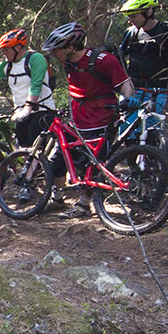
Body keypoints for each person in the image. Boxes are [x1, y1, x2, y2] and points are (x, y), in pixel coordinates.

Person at [41, 21, 137, 218]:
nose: (53, 54)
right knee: (58, 158)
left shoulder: (103, 60)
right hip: (78, 119)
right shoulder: (68, 63)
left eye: (56, 50)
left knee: (92, 164)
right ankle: (57, 198)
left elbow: (125, 83)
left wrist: (127, 100)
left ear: (70, 48)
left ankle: (84, 205)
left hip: (102, 119)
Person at [0, 29, 65, 210]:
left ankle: (27, 185)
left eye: (6, 49)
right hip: (21, 111)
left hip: (42, 110)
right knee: (23, 148)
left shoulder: (35, 59)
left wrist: (29, 107)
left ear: (18, 48)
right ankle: (32, 179)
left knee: (34, 149)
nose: (3, 53)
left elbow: (36, 84)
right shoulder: (7, 65)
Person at [117, 0, 168, 117]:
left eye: (134, 16)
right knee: (125, 125)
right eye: (128, 16)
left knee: (150, 125)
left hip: (157, 91)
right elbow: (120, 56)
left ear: (149, 11)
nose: (130, 20)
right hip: (132, 89)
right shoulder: (131, 32)